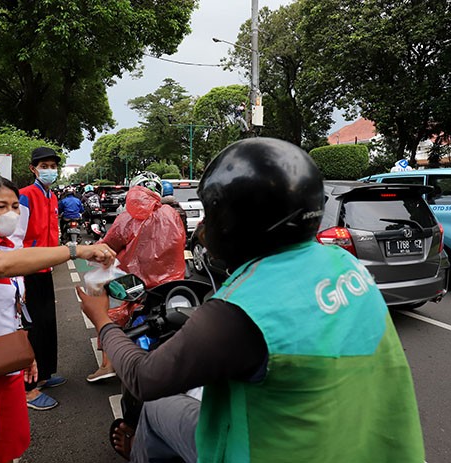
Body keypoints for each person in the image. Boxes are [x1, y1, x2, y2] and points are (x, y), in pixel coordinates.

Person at [79, 138, 425, 462]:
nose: (203, 229)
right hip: (370, 446)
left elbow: (144, 377)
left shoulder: (241, 310)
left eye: (212, 214)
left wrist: (103, 322)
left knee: (155, 407)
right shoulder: (345, 265)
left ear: (238, 223)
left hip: (274, 451)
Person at [0, 174, 115, 463]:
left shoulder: (10, 248)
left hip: (8, 370)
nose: (10, 213)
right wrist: (76, 250)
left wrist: (26, 356)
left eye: (14, 206)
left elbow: (11, 311)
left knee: (9, 449)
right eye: (0, 207)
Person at [86, 172, 187, 382]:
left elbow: (108, 245)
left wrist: (92, 251)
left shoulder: (127, 218)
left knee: (108, 309)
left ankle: (108, 365)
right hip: (172, 285)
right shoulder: (173, 214)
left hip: (135, 286)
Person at [13, 147, 65, 410]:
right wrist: (19, 276)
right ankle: (28, 389)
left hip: (45, 268)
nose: (50, 170)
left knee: (47, 323)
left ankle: (43, 374)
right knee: (30, 329)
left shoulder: (52, 196)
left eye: (53, 166)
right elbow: (16, 236)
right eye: (44, 165)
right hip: (28, 270)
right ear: (33, 169)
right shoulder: (25, 196)